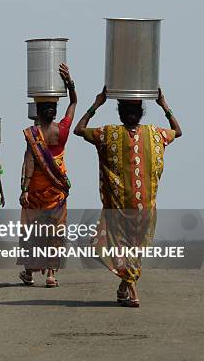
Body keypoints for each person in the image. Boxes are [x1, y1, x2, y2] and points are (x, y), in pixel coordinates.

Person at [74, 87, 182, 307]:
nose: (131, 113)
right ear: (123, 113)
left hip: (144, 210)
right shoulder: (118, 133)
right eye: (128, 109)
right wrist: (164, 105)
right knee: (126, 249)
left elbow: (79, 128)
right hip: (124, 208)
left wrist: (97, 103)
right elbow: (177, 131)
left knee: (134, 251)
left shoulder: (147, 134)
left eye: (133, 109)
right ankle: (132, 290)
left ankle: (124, 287)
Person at [19, 63, 77, 288]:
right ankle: (51, 274)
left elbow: (30, 161)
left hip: (35, 191)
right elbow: (73, 103)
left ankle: (30, 273)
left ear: (38, 111)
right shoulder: (61, 131)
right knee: (55, 230)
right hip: (57, 192)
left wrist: (24, 189)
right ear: (53, 110)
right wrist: (70, 82)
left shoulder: (33, 134)